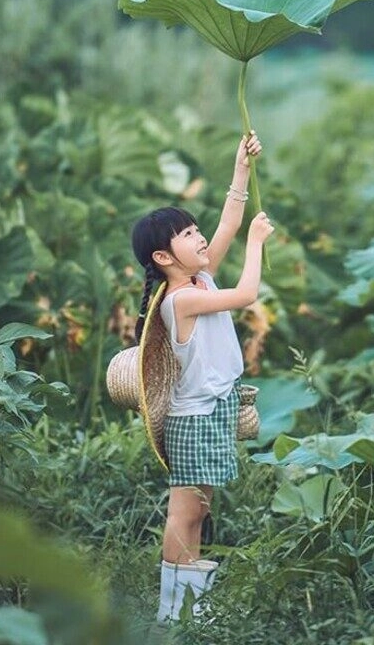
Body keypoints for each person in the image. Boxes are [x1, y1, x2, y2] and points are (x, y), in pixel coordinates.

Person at [130, 131, 274, 624]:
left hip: (213, 411)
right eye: (188, 235)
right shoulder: (181, 299)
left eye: (196, 230)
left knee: (200, 510)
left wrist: (241, 167)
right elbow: (247, 293)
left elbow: (230, 219)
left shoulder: (199, 279)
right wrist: (256, 243)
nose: (199, 238)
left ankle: (192, 605)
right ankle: (172, 611)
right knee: (185, 512)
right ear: (163, 258)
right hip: (192, 418)